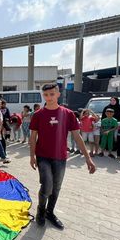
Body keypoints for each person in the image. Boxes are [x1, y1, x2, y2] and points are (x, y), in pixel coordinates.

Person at [29, 83, 95, 230]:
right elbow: (33, 137)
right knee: (47, 186)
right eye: (46, 95)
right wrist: (32, 156)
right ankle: (41, 211)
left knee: (57, 187)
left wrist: (88, 158)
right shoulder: (38, 115)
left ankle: (50, 213)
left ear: (58, 94)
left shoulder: (68, 114)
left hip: (60, 157)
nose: (49, 97)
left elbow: (77, 137)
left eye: (52, 94)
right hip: (42, 156)